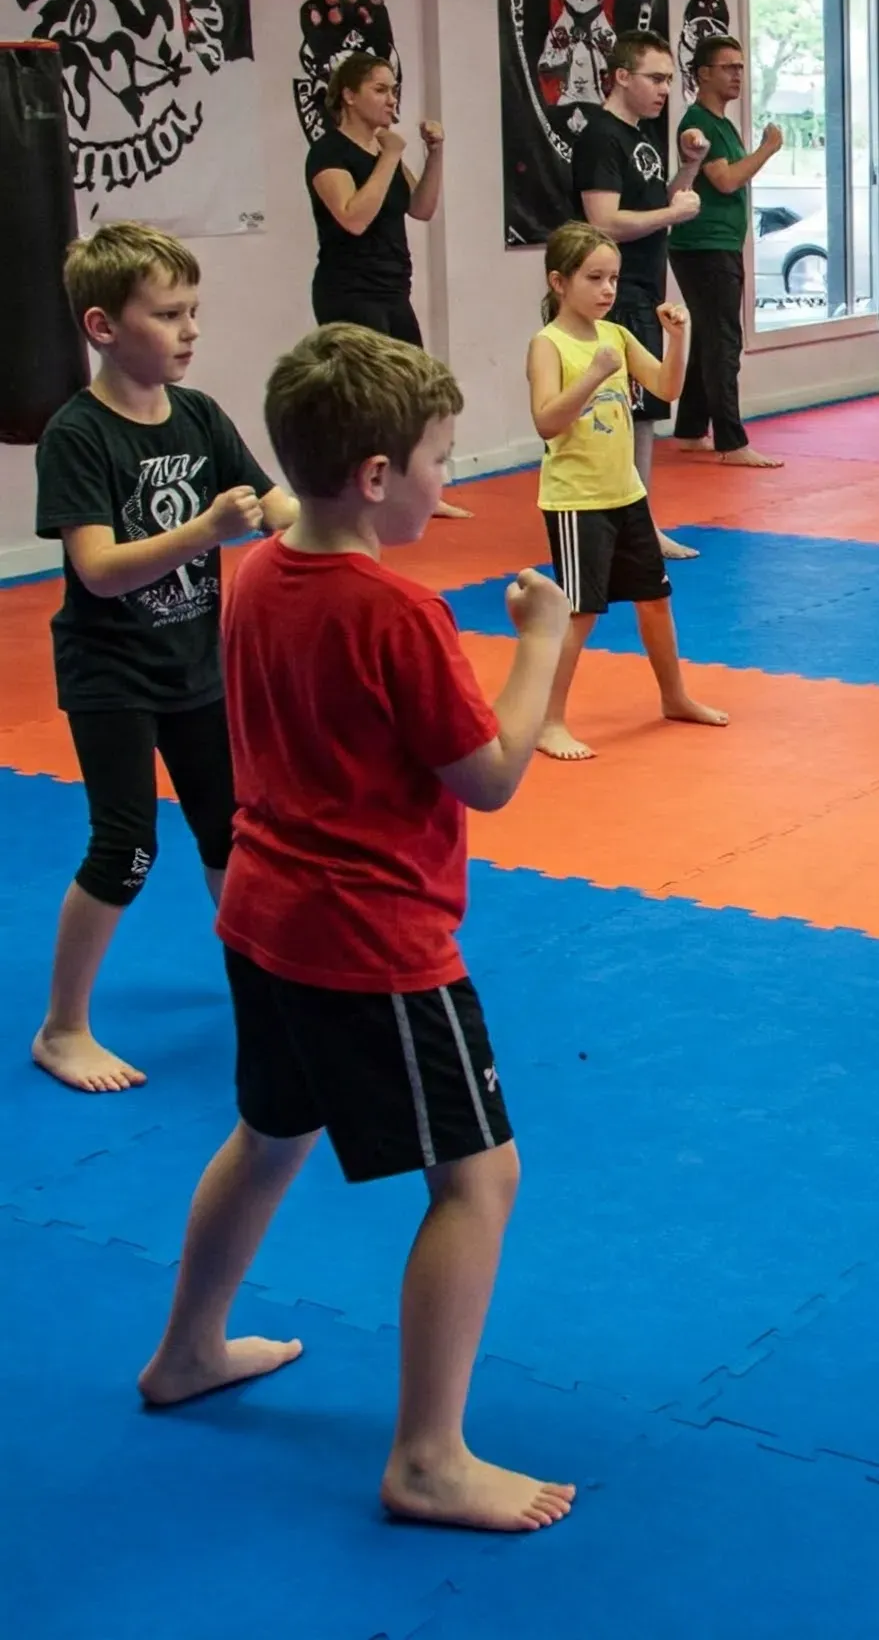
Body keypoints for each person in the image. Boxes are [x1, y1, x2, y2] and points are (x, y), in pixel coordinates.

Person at [139, 323, 577, 1534]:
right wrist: (541, 643)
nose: (450, 479)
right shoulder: (397, 611)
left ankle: (186, 1349)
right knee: (479, 1177)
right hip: (371, 939)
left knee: (272, 1130)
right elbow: (486, 776)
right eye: (440, 457)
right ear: (378, 475)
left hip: (263, 912)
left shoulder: (259, 570)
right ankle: (428, 1455)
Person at [31, 223, 296, 1094]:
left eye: (194, 312)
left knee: (230, 827)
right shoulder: (78, 433)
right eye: (169, 314)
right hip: (111, 672)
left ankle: (257, 978)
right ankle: (62, 1028)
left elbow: (271, 504)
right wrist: (205, 531)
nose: (190, 331)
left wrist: (340, 505)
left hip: (194, 661)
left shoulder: (200, 414)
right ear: (104, 326)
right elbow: (99, 572)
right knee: (126, 847)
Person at [527, 223, 729, 759]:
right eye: (594, 278)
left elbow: (667, 386)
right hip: (577, 500)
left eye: (613, 278)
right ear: (559, 282)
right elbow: (547, 422)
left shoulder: (615, 335)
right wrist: (593, 375)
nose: (607, 289)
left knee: (657, 601)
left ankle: (674, 696)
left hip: (626, 493)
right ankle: (548, 722)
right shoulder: (549, 345)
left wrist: (679, 337)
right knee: (581, 611)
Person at [306, 51, 469, 519]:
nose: (390, 98)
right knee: (365, 402)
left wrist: (433, 154)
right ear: (349, 95)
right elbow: (354, 217)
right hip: (348, 290)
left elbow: (421, 207)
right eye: (380, 89)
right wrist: (392, 153)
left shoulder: (385, 154)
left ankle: (413, 492)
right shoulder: (328, 153)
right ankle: (354, 499)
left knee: (414, 392)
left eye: (393, 89)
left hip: (393, 288)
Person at [572, 30, 709, 560]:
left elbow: (655, 205)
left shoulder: (641, 135)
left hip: (645, 288)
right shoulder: (602, 136)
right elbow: (603, 220)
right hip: (614, 293)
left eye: (670, 80)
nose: (664, 90)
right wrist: (673, 214)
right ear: (621, 76)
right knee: (619, 413)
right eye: (655, 78)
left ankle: (640, 524)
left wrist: (690, 167)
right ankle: (624, 527)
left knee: (646, 412)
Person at [668, 32, 783, 470]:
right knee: (724, 341)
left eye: (740, 66)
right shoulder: (697, 122)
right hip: (703, 245)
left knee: (710, 337)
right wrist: (768, 149)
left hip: (719, 244)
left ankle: (692, 428)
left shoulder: (725, 123)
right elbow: (726, 180)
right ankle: (731, 441)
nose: (738, 74)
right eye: (728, 67)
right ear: (702, 74)